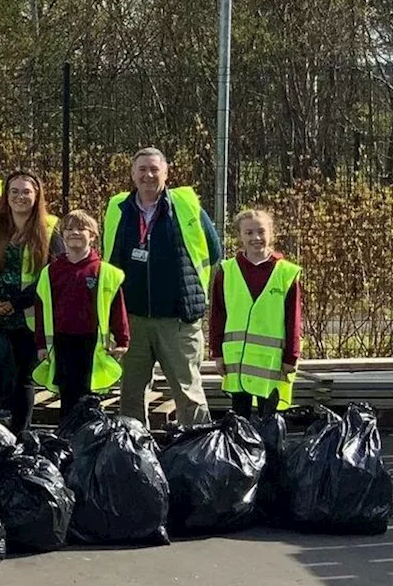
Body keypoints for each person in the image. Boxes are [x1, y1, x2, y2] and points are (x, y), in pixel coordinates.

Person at [103, 147, 222, 428]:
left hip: (177, 320)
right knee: (130, 395)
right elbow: (111, 261)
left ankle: (197, 454)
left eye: (155, 169)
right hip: (133, 320)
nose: (148, 175)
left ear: (166, 173)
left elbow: (214, 251)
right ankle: (134, 453)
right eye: (142, 169)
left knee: (188, 393)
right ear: (132, 174)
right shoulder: (118, 209)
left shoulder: (186, 206)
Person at [0, 170, 64, 433]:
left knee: (24, 379)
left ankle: (20, 435)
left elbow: (55, 274)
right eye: (14, 192)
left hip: (29, 317)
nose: (20, 197)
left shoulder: (50, 228)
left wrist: (18, 302)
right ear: (6, 195)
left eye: (26, 192)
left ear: (36, 196)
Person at [33, 210, 129, 417]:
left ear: (93, 235)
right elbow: (42, 311)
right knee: (67, 400)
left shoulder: (105, 272)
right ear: (62, 235)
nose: (74, 232)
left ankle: (89, 442)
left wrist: (122, 339)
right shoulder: (51, 271)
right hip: (62, 344)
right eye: (68, 229)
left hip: (92, 345)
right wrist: (41, 344)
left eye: (81, 229)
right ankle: (68, 442)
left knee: (90, 400)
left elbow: (117, 308)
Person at [210, 209, 302, 419]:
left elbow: (293, 319)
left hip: (271, 362)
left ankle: (269, 451)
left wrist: (292, 356)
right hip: (236, 360)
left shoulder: (286, 273)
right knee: (239, 418)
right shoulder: (227, 271)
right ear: (240, 236)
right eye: (249, 233)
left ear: (272, 233)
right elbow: (218, 315)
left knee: (269, 418)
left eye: (261, 231)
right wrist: (217, 353)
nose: (256, 238)